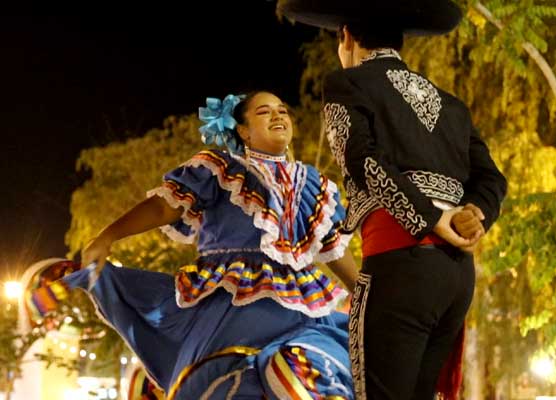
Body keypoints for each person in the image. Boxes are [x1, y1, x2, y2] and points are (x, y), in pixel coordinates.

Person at [25, 91, 359, 399]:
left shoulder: (316, 185)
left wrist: (368, 295)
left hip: (301, 307)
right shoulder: (221, 169)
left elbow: (335, 251)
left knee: (322, 365)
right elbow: (162, 207)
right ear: (243, 131)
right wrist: (108, 236)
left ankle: (290, 374)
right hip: (233, 303)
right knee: (226, 375)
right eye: (264, 111)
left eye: (283, 110)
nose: (278, 115)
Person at [280, 2, 508, 399]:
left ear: (346, 37)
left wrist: (429, 219)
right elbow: (492, 178)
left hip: (401, 265)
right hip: (456, 278)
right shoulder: (451, 104)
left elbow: (362, 162)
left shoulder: (348, 83)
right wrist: (476, 213)